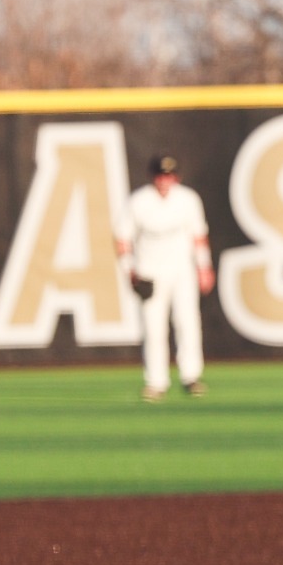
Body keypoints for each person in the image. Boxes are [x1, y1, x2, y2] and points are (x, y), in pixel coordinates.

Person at [116, 153, 215, 402]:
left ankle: (191, 376)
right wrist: (130, 269)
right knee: (153, 327)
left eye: (169, 175)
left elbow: (199, 236)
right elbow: (123, 239)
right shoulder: (139, 201)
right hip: (150, 271)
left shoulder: (188, 199)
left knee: (187, 322)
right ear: (153, 177)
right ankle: (156, 381)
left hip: (182, 270)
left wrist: (204, 267)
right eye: (160, 175)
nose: (164, 180)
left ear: (176, 177)